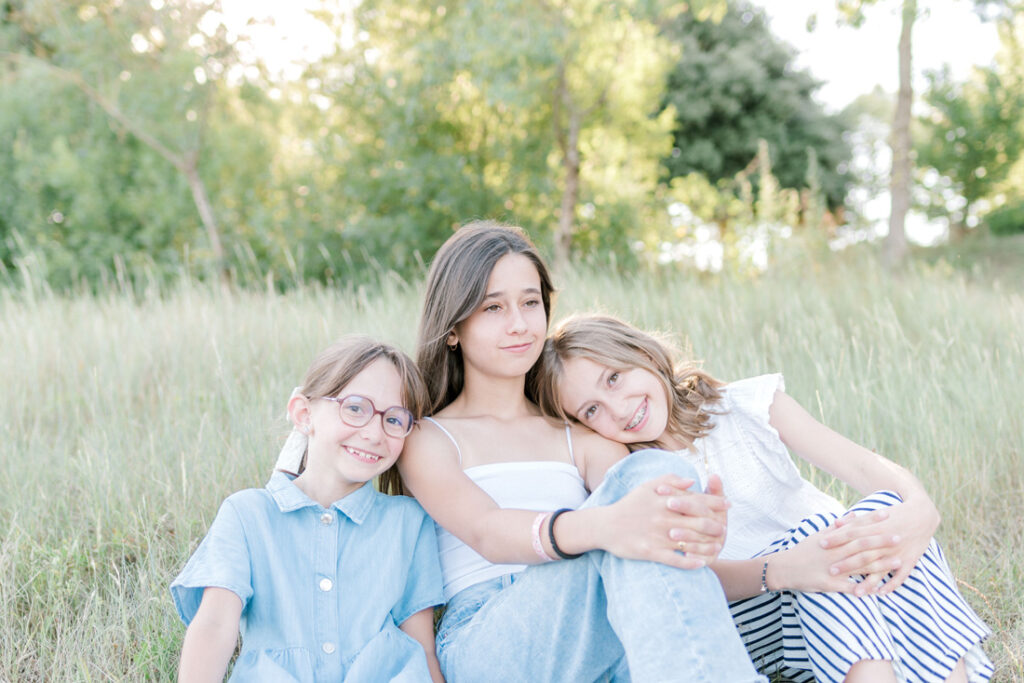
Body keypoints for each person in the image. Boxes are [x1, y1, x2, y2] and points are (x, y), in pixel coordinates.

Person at [534, 313, 994, 683]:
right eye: (591, 410)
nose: (617, 409)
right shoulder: (630, 477)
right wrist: (793, 565)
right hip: (751, 610)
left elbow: (863, 468)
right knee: (825, 537)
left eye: (613, 379)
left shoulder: (747, 405)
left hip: (845, 583)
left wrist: (918, 508)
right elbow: (678, 583)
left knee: (881, 514)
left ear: (642, 354)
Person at [399, 220, 766, 682]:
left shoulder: (580, 435)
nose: (519, 324)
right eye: (493, 307)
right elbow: (487, 531)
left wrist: (687, 528)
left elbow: (642, 528)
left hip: (599, 632)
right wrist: (607, 525)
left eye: (531, 303)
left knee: (650, 473)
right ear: (452, 329)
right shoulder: (427, 437)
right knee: (625, 527)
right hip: (490, 637)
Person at [171, 337, 445, 682]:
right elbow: (214, 624)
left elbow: (422, 646)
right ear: (304, 414)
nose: (375, 434)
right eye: (356, 408)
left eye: (394, 419)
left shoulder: (407, 521)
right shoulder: (248, 515)